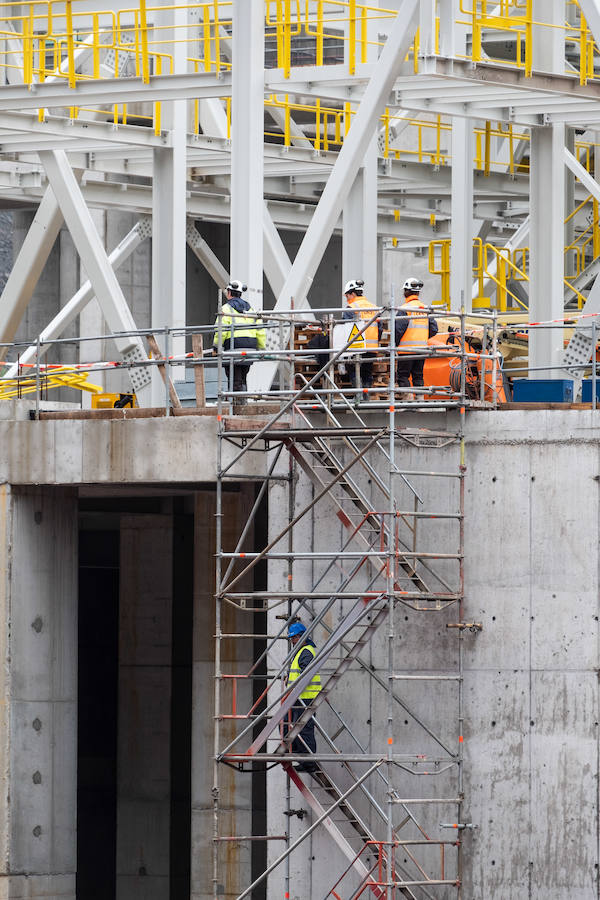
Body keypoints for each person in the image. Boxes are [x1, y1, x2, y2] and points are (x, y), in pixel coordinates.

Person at [212, 279, 266, 400]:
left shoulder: (226, 309)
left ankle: (236, 404)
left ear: (229, 292)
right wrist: (262, 348)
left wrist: (216, 346)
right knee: (242, 376)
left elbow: (221, 330)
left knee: (234, 377)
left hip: (233, 347)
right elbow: (260, 330)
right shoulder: (251, 309)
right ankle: (242, 401)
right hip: (250, 348)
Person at [395, 277, 438, 401]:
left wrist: (394, 345)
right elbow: (434, 329)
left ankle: (408, 401)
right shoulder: (424, 308)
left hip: (406, 350)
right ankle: (420, 400)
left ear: (407, 292)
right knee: (418, 375)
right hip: (421, 350)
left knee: (403, 376)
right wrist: (422, 337)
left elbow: (399, 330)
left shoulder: (405, 308)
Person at [286, 621, 321, 773]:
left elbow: (306, 674)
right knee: (297, 728)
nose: (292, 641)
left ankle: (309, 762)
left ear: (301, 637)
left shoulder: (307, 651)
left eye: (294, 638)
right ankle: (302, 759)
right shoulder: (301, 651)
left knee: (305, 729)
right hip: (298, 697)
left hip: (306, 698)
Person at [342, 279, 380, 393]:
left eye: (347, 296)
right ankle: (366, 397)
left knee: (354, 371)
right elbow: (380, 327)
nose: (347, 299)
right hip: (371, 348)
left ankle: (358, 396)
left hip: (357, 348)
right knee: (367, 372)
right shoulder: (374, 307)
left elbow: (346, 329)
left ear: (352, 294)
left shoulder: (352, 308)